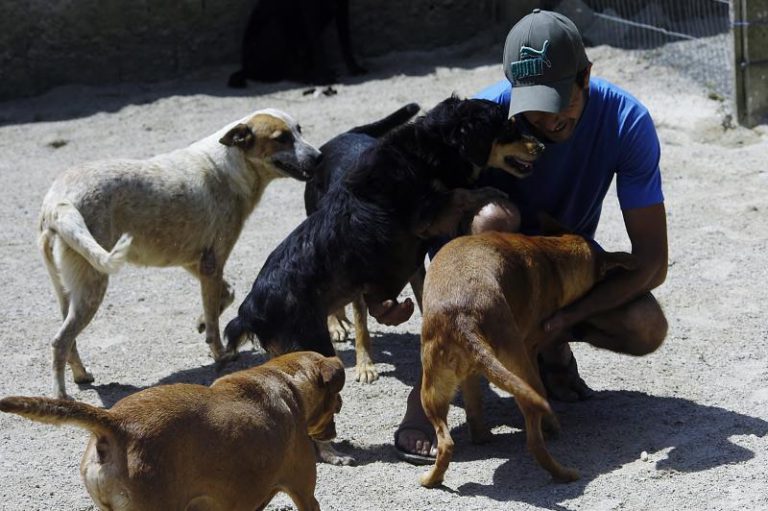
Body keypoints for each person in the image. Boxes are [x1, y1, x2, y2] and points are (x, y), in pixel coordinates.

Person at [393, 8, 669, 464]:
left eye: (561, 98)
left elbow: (653, 264)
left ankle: (549, 353)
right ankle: (425, 402)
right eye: (534, 104)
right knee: (492, 220)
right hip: (479, 279)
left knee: (645, 325)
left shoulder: (626, 121)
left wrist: (561, 322)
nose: (547, 117)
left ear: (586, 76)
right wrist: (384, 288)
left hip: (556, 272)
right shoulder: (478, 116)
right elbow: (413, 213)